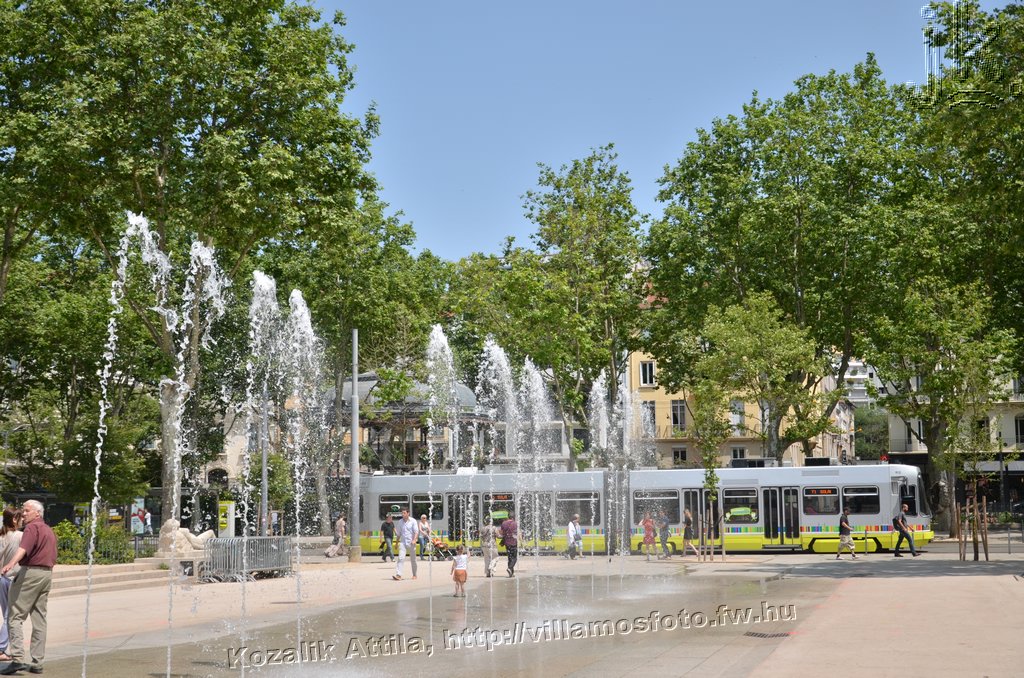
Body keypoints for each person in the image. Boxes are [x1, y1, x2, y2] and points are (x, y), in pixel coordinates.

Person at [1, 500, 57, 675]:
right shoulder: (48, 529)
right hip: (46, 574)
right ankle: (37, 662)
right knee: (39, 618)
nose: (23, 514)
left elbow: (23, 549)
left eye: (26, 511)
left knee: (14, 616)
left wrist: (10, 564)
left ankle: (17, 659)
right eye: (23, 511)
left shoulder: (32, 528)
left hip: (30, 573)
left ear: (37, 513)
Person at [0, 509, 23, 662]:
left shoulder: (1, 536)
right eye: (20, 518)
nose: (22, 520)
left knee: (6, 615)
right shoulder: (20, 536)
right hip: (13, 578)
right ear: (14, 519)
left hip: (1, 579)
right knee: (10, 616)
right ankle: (1, 648)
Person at [393, 509, 419, 580]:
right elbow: (399, 534)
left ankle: (414, 574)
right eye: (402, 513)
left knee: (413, 559)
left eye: (404, 513)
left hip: (411, 542)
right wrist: (396, 543)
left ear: (408, 513)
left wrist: (414, 540)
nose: (402, 514)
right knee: (401, 558)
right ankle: (398, 575)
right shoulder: (400, 522)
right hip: (403, 542)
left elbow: (416, 532)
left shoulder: (413, 521)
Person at [500, 512, 519, 577]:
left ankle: (511, 573)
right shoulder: (515, 523)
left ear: (508, 517)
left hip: (507, 543)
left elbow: (502, 533)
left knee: (510, 557)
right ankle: (510, 568)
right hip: (513, 542)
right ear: (513, 517)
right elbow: (517, 533)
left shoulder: (504, 523)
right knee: (515, 558)